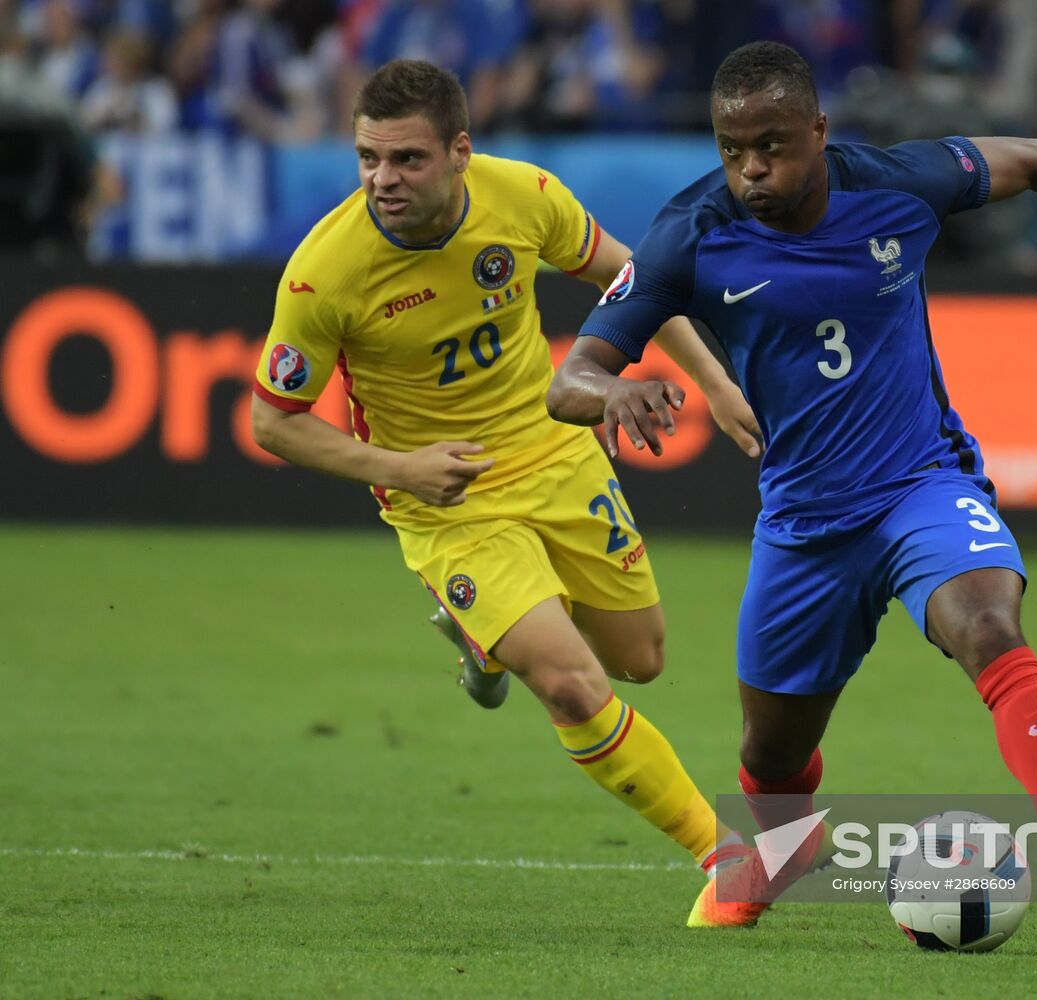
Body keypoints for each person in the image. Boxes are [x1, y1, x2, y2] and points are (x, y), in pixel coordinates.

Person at [547, 40, 1037, 943]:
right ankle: (788, 849)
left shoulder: (899, 181)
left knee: (988, 627)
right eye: (732, 149)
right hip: (802, 527)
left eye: (773, 145)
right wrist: (618, 388)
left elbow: (1034, 158)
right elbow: (571, 380)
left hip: (920, 485)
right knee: (770, 752)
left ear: (819, 132)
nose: (752, 168)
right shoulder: (693, 231)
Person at [251, 59, 761, 886]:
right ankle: (727, 854)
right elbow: (271, 421)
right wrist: (400, 468)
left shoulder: (522, 195)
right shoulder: (325, 272)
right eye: (368, 158)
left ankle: (486, 639)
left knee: (641, 661)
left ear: (459, 151)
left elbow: (631, 279)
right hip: (447, 498)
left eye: (407, 159)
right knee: (570, 683)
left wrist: (716, 383)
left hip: (554, 448)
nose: (384, 179)